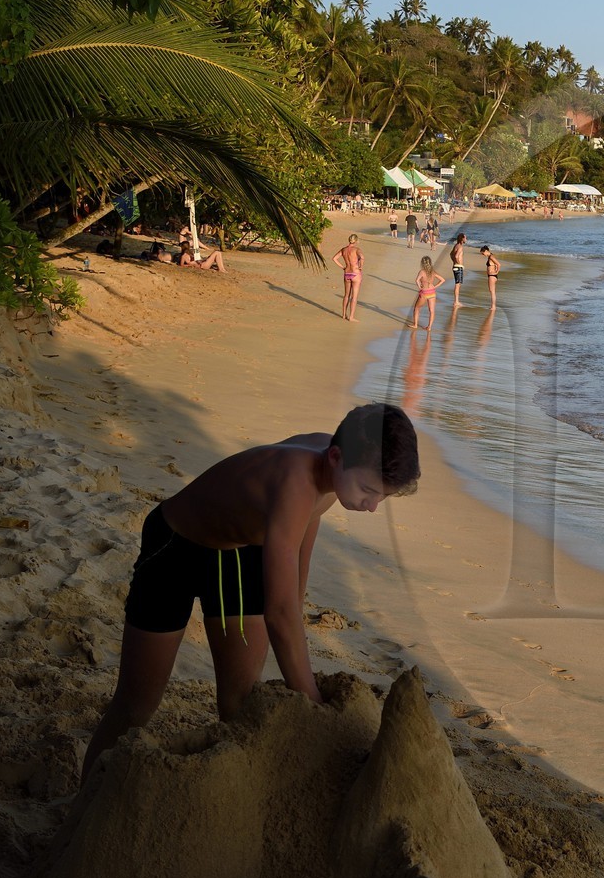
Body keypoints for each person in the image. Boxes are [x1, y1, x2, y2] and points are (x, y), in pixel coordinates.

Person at [81, 403, 421, 778]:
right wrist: (313, 706)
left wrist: (296, 616)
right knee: (137, 702)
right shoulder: (296, 479)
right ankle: (85, 795)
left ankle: (229, 795)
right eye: (368, 491)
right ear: (336, 457)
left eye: (381, 498)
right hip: (175, 547)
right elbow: (278, 614)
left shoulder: (335, 470)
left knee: (240, 702)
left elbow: (299, 555)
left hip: (240, 553)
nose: (372, 507)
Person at [332, 233, 364, 322]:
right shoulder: (357, 249)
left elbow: (334, 258)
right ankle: (351, 317)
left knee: (346, 295)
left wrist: (343, 267)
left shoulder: (344, 249)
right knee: (354, 297)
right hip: (355, 273)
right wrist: (361, 266)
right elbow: (362, 257)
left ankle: (343, 314)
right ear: (356, 241)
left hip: (347, 273)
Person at [408, 255, 444, 330]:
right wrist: (435, 286)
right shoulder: (433, 272)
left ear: (422, 263)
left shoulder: (422, 272)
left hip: (424, 292)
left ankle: (415, 325)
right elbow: (442, 280)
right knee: (432, 311)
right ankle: (429, 327)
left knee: (417, 308)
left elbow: (417, 280)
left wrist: (420, 287)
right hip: (432, 292)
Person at [448, 232, 467, 308]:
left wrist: (454, 262)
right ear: (462, 239)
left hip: (455, 266)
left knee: (457, 284)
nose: (466, 239)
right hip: (458, 267)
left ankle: (456, 301)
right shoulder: (460, 247)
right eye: (465, 238)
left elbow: (451, 254)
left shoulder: (456, 245)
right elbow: (456, 256)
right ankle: (456, 301)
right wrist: (458, 263)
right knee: (458, 284)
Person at [481, 245, 501, 309]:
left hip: (492, 276)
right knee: (492, 291)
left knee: (492, 291)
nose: (483, 255)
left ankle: (493, 306)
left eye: (483, 253)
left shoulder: (491, 257)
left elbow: (498, 264)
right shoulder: (490, 257)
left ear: (486, 251)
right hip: (491, 276)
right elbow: (495, 265)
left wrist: (496, 272)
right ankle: (493, 306)